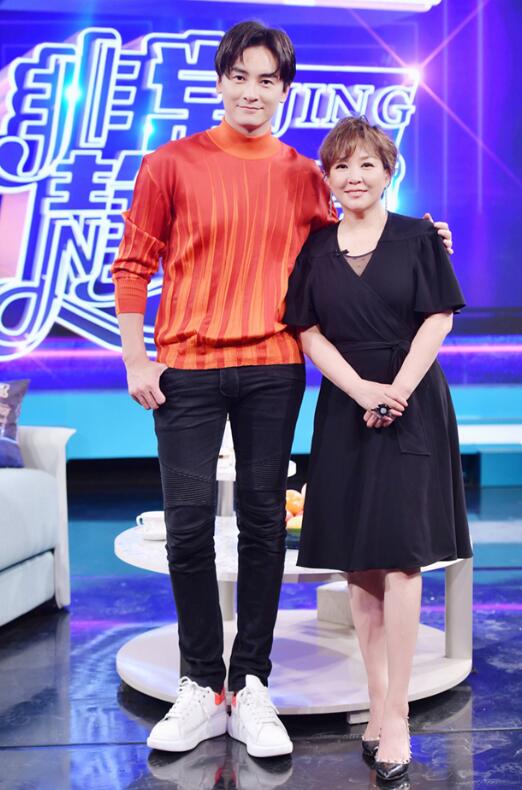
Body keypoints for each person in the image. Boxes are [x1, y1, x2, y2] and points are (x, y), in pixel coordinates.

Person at [111, 22, 454, 759]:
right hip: (186, 368)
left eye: (267, 80)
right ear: (219, 81)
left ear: (284, 90)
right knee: (189, 525)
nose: (251, 92)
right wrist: (136, 360)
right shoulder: (168, 163)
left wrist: (427, 240)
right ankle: (201, 683)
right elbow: (134, 264)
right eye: (239, 76)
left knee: (265, 523)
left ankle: (251, 682)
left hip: (274, 366)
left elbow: (355, 235)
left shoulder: (303, 174)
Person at [283, 116, 472, 782]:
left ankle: (395, 715)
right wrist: (362, 390)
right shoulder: (315, 247)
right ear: (327, 178)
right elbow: (307, 331)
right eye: (340, 166)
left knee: (401, 557)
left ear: (389, 170)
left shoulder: (420, 236)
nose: (354, 176)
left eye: (366, 164)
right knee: (360, 563)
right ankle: (376, 698)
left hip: (412, 402)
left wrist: (394, 392)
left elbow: (438, 318)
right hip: (346, 404)